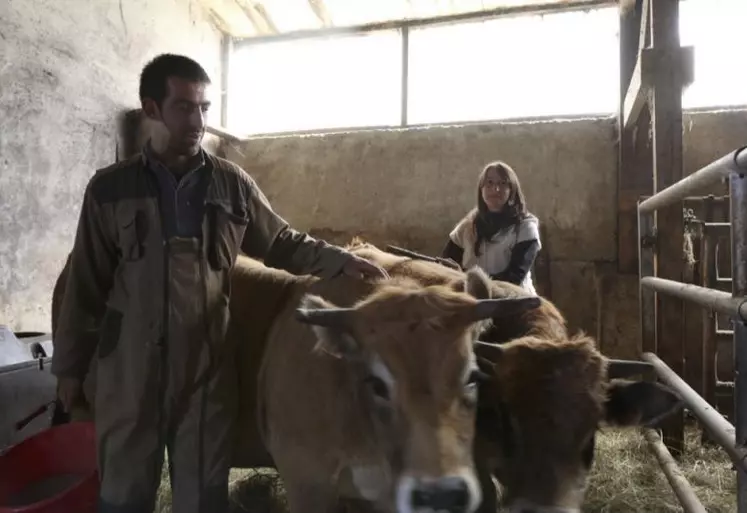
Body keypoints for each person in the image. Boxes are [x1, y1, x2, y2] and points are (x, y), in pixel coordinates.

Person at [51, 53, 388, 513]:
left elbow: (282, 241)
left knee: (203, 500)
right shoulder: (110, 189)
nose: (199, 121)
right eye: (185, 107)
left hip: (206, 372)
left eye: (205, 108)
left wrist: (340, 260)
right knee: (124, 498)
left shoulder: (232, 185)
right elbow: (86, 283)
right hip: (130, 372)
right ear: (151, 108)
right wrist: (69, 369)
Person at [442, 160, 541, 295]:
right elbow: (446, 265)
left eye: (503, 183)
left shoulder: (525, 228)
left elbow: (514, 277)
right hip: (473, 303)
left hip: (515, 302)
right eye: (489, 183)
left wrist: (468, 279)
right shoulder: (466, 227)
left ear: (512, 190)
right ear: (481, 189)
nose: (496, 189)